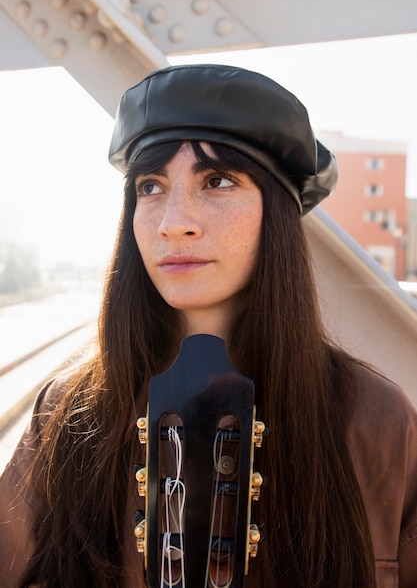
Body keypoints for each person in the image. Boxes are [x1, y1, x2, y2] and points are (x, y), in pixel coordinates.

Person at [1, 63, 416, 588]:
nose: (174, 220)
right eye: (150, 187)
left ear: (278, 213)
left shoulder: (378, 420)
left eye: (217, 181)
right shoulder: (65, 415)